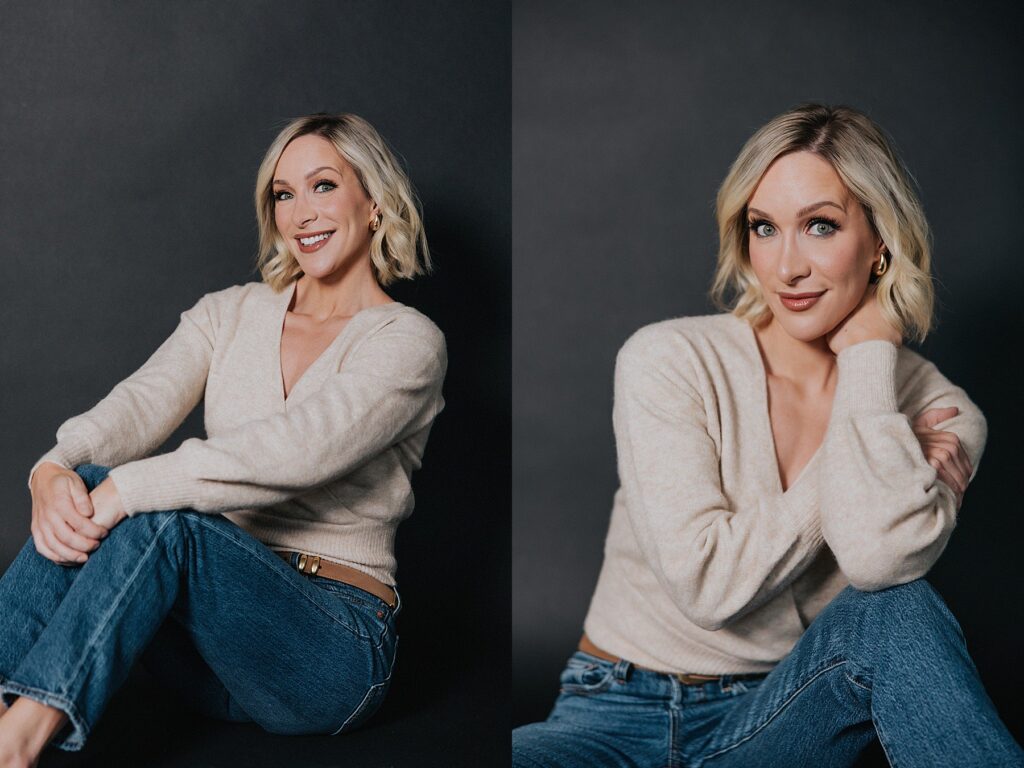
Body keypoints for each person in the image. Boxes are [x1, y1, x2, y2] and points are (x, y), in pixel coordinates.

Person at [512, 104, 1023, 767]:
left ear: (881, 241)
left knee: (897, 609)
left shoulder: (944, 414)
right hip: (612, 711)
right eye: (764, 228)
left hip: (780, 719)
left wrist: (870, 357)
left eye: (820, 226)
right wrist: (877, 453)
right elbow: (708, 586)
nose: (787, 267)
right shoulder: (669, 359)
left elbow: (878, 563)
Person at [0, 112, 446, 765]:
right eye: (283, 194)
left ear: (374, 202)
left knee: (161, 513)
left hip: (331, 654)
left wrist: (129, 489)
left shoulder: (407, 341)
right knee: (89, 482)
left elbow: (301, 448)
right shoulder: (231, 312)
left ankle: (16, 744)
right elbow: (139, 404)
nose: (301, 212)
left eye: (323, 185)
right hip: (208, 653)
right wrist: (53, 467)